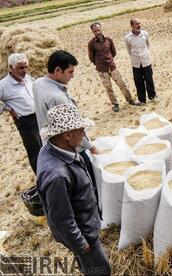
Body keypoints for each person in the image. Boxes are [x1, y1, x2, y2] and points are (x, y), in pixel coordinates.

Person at [36, 104, 111, 276]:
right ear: (67, 135)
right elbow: (62, 219)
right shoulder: (58, 176)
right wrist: (81, 245)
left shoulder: (54, 148)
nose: (84, 134)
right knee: (101, 270)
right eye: (81, 130)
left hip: (86, 223)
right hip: (84, 236)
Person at [33, 50, 99, 184]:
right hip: (68, 147)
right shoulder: (58, 98)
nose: (72, 76)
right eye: (70, 72)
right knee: (86, 180)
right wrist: (92, 148)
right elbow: (74, 129)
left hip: (51, 144)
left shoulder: (38, 83)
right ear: (58, 70)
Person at [0, 53, 42, 174]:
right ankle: (43, 180)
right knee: (36, 151)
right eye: (20, 68)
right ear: (11, 68)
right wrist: (7, 108)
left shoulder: (28, 78)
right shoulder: (3, 85)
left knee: (47, 147)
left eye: (25, 67)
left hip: (39, 116)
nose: (24, 70)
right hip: (26, 122)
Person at [88, 22, 139, 112]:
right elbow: (91, 58)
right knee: (108, 88)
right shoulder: (91, 43)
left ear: (101, 29)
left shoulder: (109, 40)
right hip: (102, 70)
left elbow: (113, 52)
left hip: (112, 67)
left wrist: (109, 60)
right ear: (92, 32)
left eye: (98, 30)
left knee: (122, 84)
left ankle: (130, 99)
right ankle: (115, 104)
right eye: (95, 31)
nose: (97, 32)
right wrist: (100, 63)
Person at [124, 18, 157, 105]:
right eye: (136, 24)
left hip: (146, 61)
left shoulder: (145, 34)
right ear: (131, 25)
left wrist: (144, 55)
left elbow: (148, 45)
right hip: (136, 63)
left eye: (139, 23)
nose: (138, 25)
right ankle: (142, 100)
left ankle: (152, 97)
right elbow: (129, 50)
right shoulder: (127, 38)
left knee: (149, 80)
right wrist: (135, 58)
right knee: (138, 82)